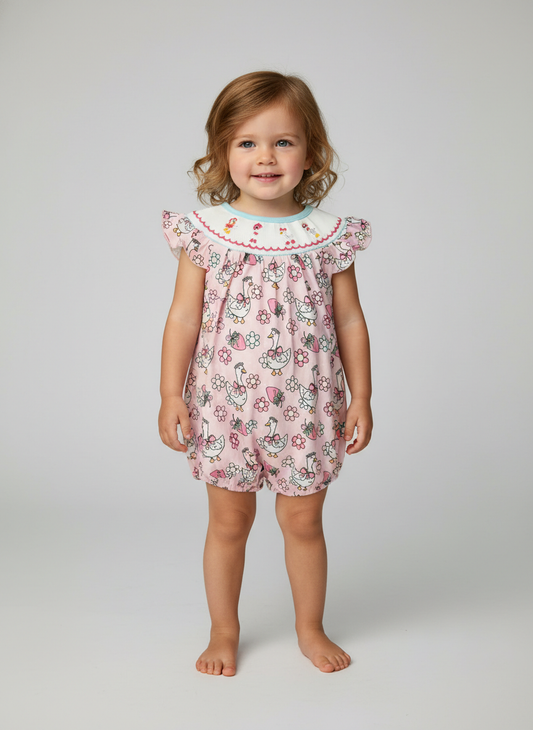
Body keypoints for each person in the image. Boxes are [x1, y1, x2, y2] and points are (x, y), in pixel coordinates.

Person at [159, 71, 373, 677]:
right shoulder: (207, 234)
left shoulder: (327, 236)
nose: (266, 157)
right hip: (224, 408)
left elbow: (350, 320)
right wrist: (170, 393)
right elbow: (182, 317)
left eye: (283, 142)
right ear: (223, 150)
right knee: (229, 522)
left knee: (303, 521)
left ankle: (310, 627)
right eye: (248, 142)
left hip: (307, 408)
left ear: (311, 152)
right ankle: (223, 631)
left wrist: (362, 395)